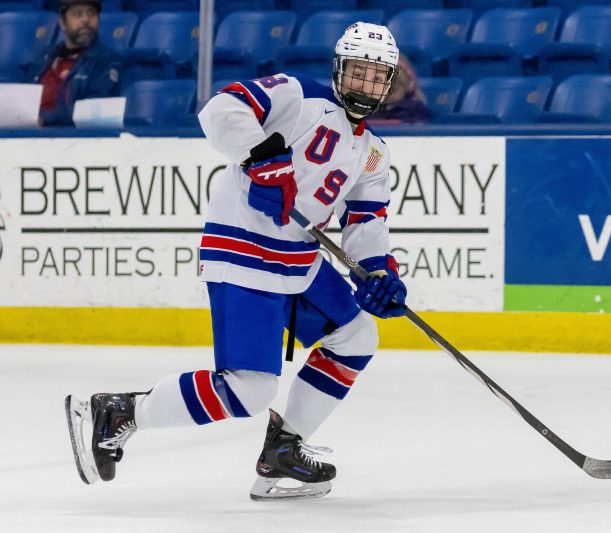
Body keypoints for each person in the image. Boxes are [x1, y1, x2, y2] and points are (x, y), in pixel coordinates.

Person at [65, 22, 407, 501]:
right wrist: (262, 157)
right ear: (338, 70)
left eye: (376, 77)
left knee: (357, 336)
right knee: (249, 390)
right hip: (244, 250)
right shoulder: (298, 95)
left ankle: (283, 450)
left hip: (299, 262)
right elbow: (222, 108)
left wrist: (379, 274)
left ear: (388, 84)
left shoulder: (373, 153)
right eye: (357, 72)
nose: (364, 85)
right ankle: (122, 411)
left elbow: (366, 222)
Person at [29, 0, 122, 126]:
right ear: (63, 22)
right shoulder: (47, 55)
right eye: (78, 14)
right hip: (32, 130)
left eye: (92, 14)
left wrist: (44, 118)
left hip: (71, 134)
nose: (86, 20)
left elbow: (91, 110)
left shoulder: (106, 60)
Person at [369, 53, 430, 122]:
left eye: (394, 91)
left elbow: (421, 125)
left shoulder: (415, 108)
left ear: (408, 86)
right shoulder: (371, 108)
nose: (388, 95)